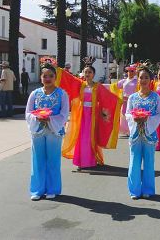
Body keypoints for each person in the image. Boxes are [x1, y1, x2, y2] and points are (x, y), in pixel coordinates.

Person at [59, 57, 121, 170]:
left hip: (93, 116)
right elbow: (69, 79)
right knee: (81, 138)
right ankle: (80, 160)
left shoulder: (98, 87)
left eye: (90, 72)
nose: (87, 74)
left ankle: (90, 160)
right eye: (86, 72)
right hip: (81, 116)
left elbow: (108, 97)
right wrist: (58, 71)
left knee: (90, 137)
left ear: (93, 74)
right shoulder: (80, 84)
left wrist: (119, 100)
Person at [25, 59, 70, 201]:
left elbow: (64, 114)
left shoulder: (62, 94)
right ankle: (37, 190)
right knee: (37, 159)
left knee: (53, 160)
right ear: (41, 77)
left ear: (55, 77)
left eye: (51, 75)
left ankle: (52, 189)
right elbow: (28, 112)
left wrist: (50, 119)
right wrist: (37, 118)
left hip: (54, 131)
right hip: (38, 131)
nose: (48, 78)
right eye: (45, 76)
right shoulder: (35, 94)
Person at [126, 66, 160, 199]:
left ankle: (148, 189)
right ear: (138, 79)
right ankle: (134, 190)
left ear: (151, 80)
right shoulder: (132, 97)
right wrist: (134, 118)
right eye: (141, 77)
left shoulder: (156, 97)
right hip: (135, 134)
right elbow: (128, 114)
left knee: (148, 162)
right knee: (134, 162)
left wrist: (148, 119)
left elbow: (159, 115)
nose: (143, 80)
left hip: (149, 134)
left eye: (146, 77)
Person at [111, 65, 138, 136]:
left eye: (132, 71)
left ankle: (132, 129)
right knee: (124, 115)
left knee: (132, 115)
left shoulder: (137, 81)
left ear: (135, 72)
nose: (130, 72)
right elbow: (114, 86)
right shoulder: (124, 81)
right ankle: (126, 130)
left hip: (133, 101)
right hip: (125, 101)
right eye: (128, 71)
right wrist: (119, 96)